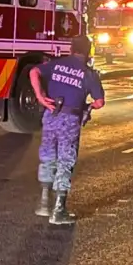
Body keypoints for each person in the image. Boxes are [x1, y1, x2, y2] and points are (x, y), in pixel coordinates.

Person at [30, 35, 105, 225]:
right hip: (70, 119)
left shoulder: (56, 64)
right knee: (65, 160)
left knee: (48, 156)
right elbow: (99, 102)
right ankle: (58, 210)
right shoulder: (89, 74)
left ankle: (44, 203)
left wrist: (40, 96)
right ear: (88, 52)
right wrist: (88, 106)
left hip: (51, 114)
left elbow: (34, 71)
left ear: (71, 49)